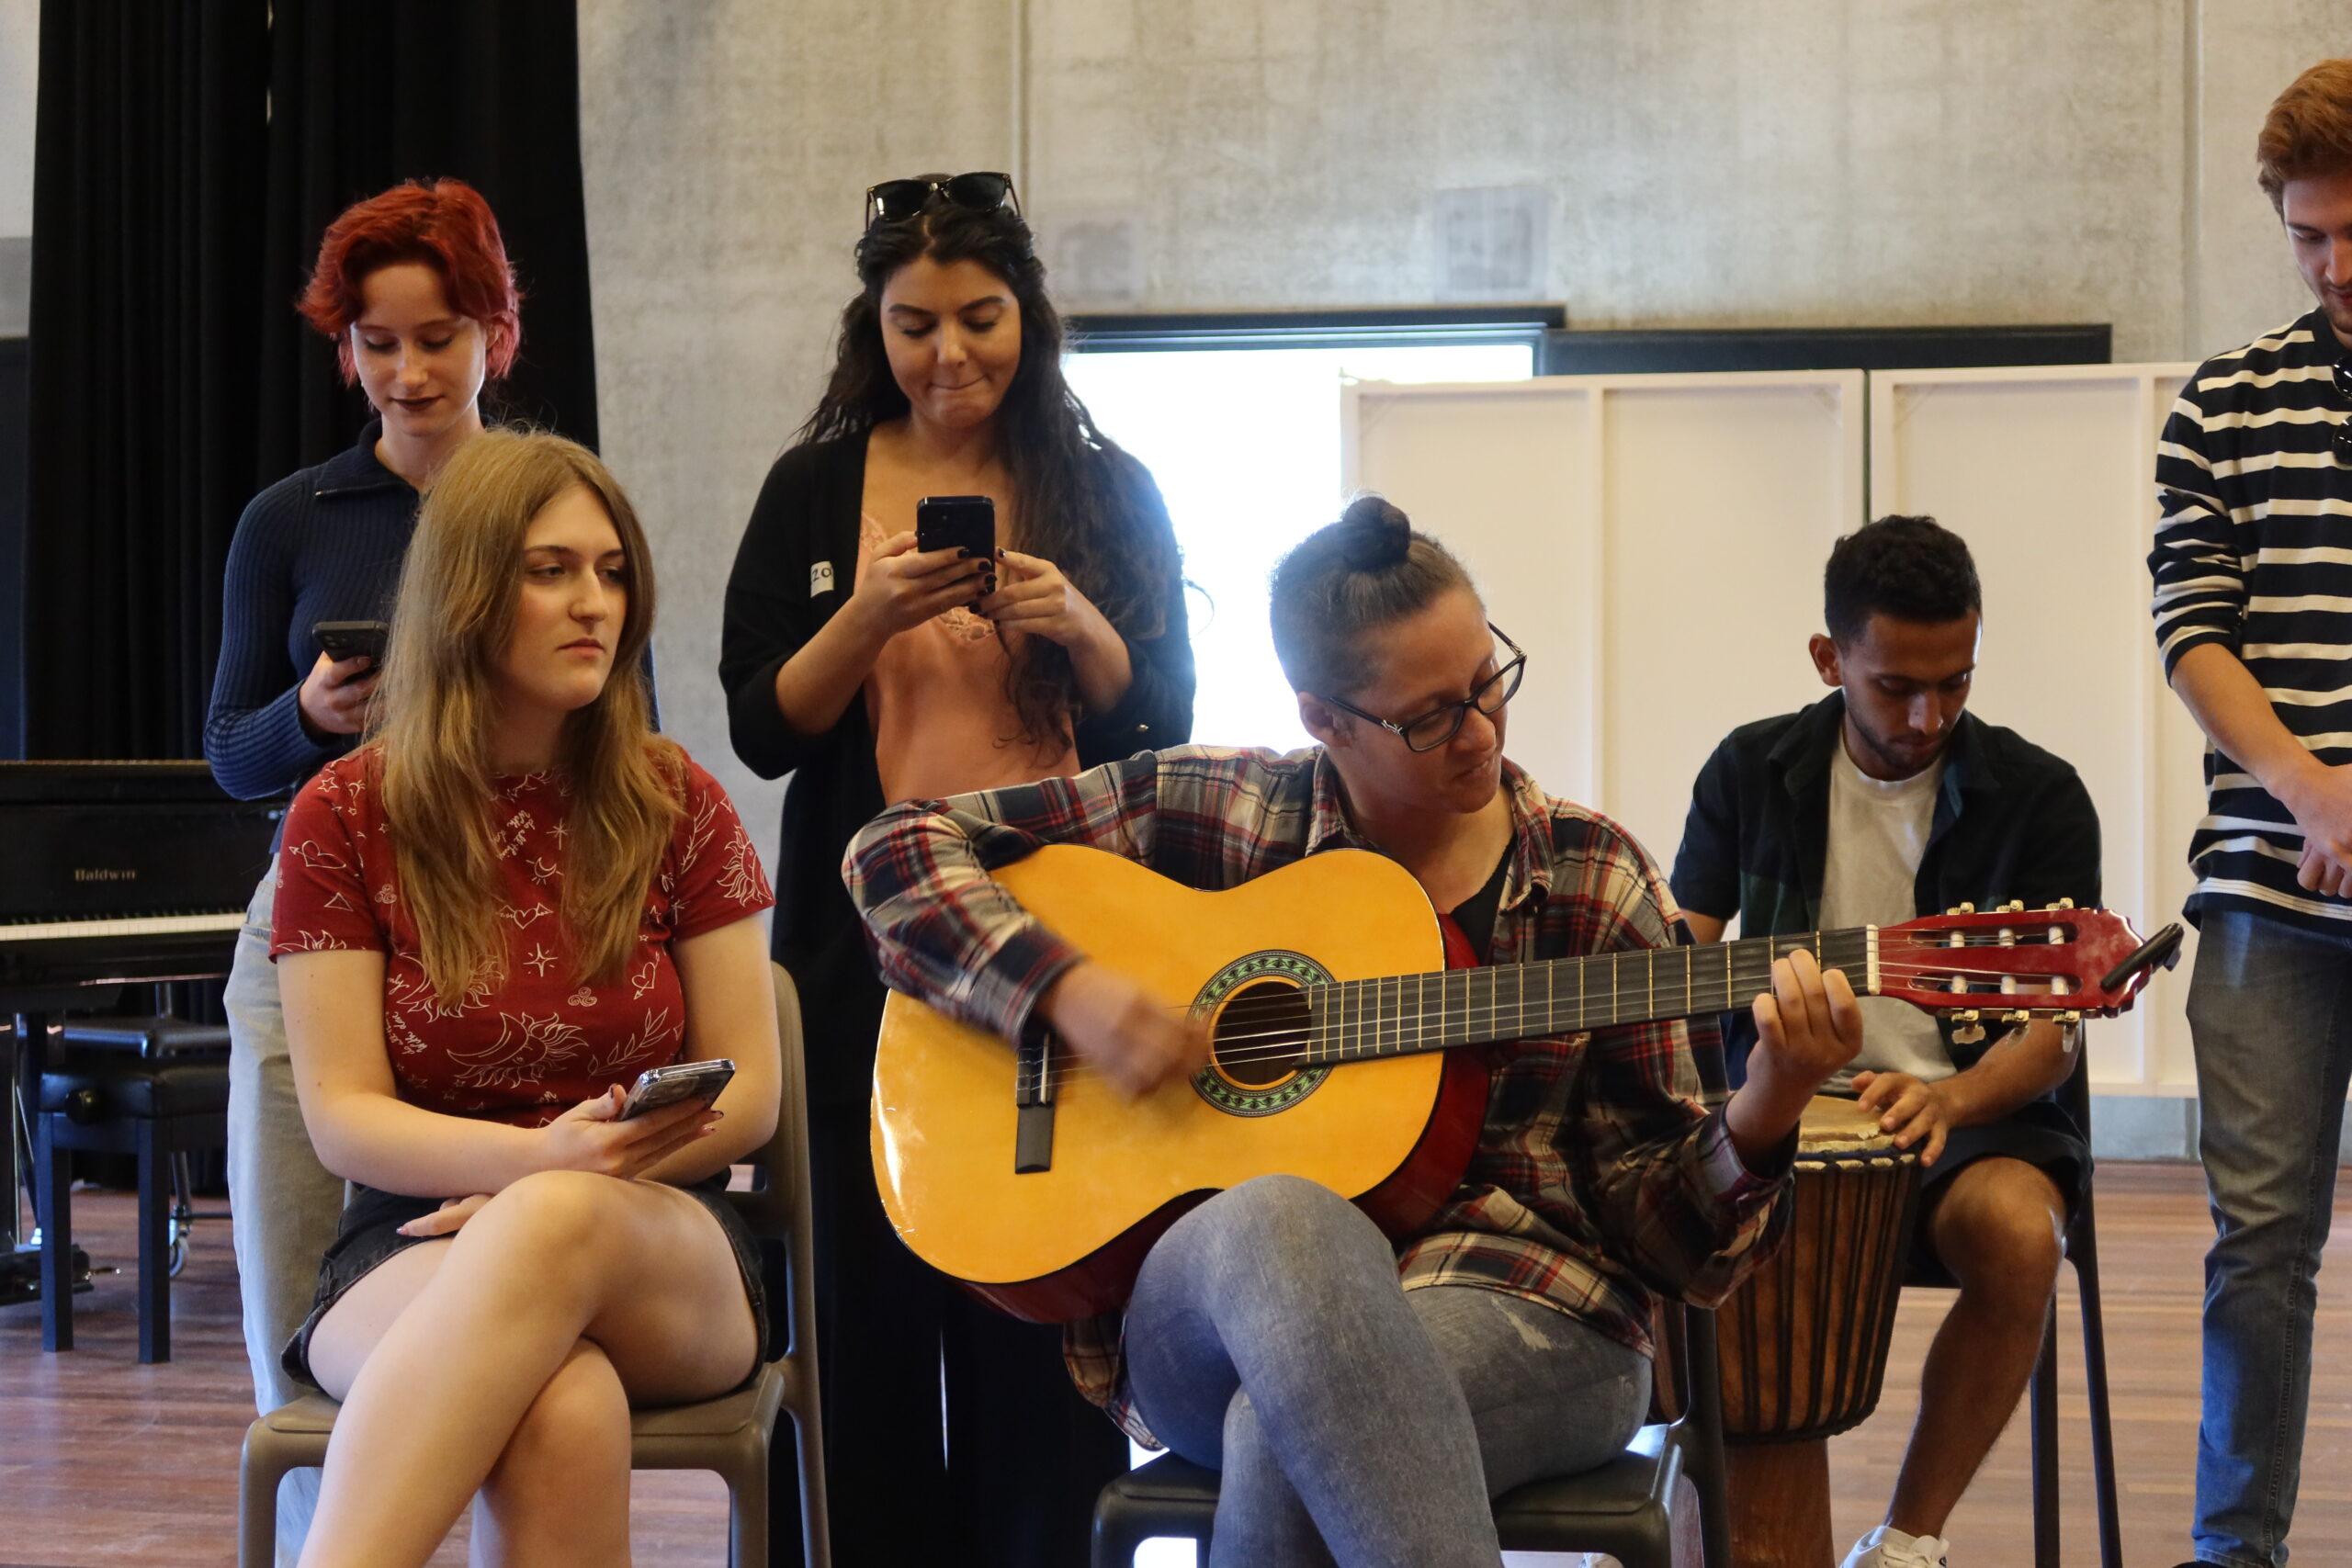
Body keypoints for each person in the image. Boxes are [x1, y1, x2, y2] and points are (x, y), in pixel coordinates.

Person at [844, 496, 1860, 1567]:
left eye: (1487, 683)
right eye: (1430, 715)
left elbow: (1671, 1250)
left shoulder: (1589, 874)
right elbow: (893, 849)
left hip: (1528, 1305)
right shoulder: (1222, 809)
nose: (1480, 731)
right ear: (1324, 718)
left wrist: (1768, 1105)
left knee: (1284, 1432)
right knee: (1286, 1215)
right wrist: (1065, 991)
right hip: (1208, 1310)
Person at [719, 172, 1193, 1564]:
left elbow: (1160, 720)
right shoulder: (814, 486)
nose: (949, 356)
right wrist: (863, 617)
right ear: (874, 327)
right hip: (868, 943)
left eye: (979, 318)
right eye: (914, 324)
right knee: (859, 1299)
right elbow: (761, 725)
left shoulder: (1105, 485)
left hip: (1070, 937)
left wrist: (1082, 625)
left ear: (1027, 318)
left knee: (1042, 1290)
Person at [270, 428, 780, 1568]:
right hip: (410, 1243)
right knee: (562, 1407)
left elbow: (748, 1100)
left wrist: (559, 1178)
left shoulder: (674, 798)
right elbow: (342, 1116)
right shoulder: (343, 813)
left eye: (609, 571)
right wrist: (532, 1169)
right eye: (549, 570)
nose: (591, 601)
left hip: (664, 1241)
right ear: (466, 588)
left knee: (554, 1221)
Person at [1668, 514, 2100, 1568]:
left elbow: (2051, 1037)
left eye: (1955, 681)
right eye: (1896, 685)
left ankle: (1908, 1538)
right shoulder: (1748, 769)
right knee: (1675, 1218)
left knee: (2014, 1235)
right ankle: (1709, 1526)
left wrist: (1950, 1102)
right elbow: (1680, 958)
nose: (1928, 714)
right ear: (1829, 659)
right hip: (1776, 1112)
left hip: (1967, 1120)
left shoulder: (2037, 796)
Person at [204, 177, 519, 1564]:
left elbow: (608, 719)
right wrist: (308, 721)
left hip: (493, 940)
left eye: (439, 336)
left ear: (494, 335)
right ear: (346, 350)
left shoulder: (544, 503)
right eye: (378, 343)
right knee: (293, 1325)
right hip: (304, 938)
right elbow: (225, 748)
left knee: (485, 1322)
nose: (410, 372)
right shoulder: (288, 517)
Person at [2149, 58, 2352, 1568]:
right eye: (2308, 237)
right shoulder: (2225, 399)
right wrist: (2309, 785)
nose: (2336, 267)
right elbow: (2192, 627)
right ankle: (2237, 1553)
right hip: (2266, 893)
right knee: (2259, 1248)